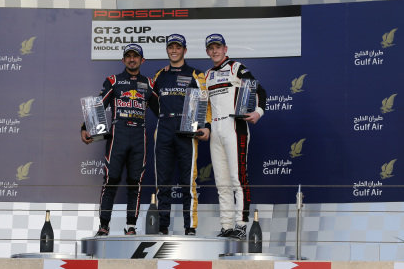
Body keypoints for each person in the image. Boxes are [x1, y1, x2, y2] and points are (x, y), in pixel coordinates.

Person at [81, 44, 158, 236]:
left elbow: (162, 112)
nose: (132, 59)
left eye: (136, 56)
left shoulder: (149, 83)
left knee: (135, 182)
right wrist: (85, 127)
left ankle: (131, 226)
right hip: (118, 135)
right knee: (111, 180)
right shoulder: (113, 81)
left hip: (139, 137)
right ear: (123, 60)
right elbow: (99, 104)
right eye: (128, 56)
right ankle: (103, 225)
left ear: (142, 60)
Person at [204, 33, 267, 240]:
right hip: (215, 129)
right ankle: (226, 226)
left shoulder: (236, 67)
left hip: (234, 125)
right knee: (221, 182)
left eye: (218, 47)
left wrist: (258, 112)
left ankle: (240, 225)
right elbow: (201, 107)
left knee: (237, 178)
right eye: (211, 48)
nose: (215, 51)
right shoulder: (207, 75)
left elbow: (259, 90)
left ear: (225, 49)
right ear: (207, 51)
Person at [153, 34, 209, 235]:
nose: (174, 50)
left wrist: (206, 125)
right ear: (167, 50)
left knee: (188, 181)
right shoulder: (160, 74)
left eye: (178, 47)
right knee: (163, 181)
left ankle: (190, 227)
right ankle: (162, 226)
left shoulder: (196, 74)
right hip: (165, 127)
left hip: (188, 129)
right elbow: (152, 101)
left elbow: (204, 102)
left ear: (185, 50)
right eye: (171, 47)